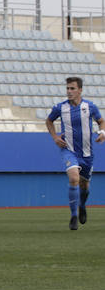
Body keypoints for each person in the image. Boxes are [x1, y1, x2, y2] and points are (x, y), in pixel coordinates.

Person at [45, 76, 105, 230]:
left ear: (80, 90)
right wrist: (55, 137)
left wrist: (102, 132)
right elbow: (49, 121)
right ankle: (73, 216)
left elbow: (101, 121)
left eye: (72, 88)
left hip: (87, 153)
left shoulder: (89, 106)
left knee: (84, 184)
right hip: (68, 150)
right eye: (67, 88)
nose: (69, 91)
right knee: (74, 178)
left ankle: (82, 206)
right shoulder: (60, 107)